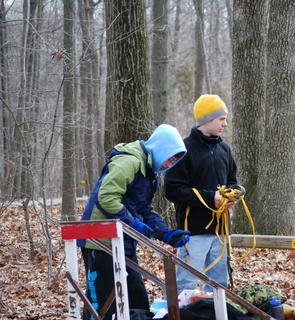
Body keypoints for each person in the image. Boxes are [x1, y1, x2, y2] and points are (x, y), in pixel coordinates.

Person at [78, 124, 191, 319]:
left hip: (124, 241)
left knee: (137, 297)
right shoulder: (129, 161)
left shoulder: (150, 172)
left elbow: (144, 209)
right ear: (160, 148)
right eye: (169, 158)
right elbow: (106, 197)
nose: (168, 164)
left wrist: (166, 233)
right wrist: (133, 223)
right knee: (103, 303)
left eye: (173, 161)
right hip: (99, 240)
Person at [164, 94, 238, 293]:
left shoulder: (225, 149)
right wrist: (209, 198)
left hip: (220, 232)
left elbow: (234, 182)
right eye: (221, 119)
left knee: (218, 286)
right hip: (193, 232)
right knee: (185, 285)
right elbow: (172, 189)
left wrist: (233, 195)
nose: (225, 124)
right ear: (207, 119)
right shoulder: (183, 149)